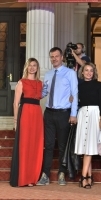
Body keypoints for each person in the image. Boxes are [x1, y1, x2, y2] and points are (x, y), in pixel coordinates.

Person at [36, 47, 78, 186]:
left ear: (62, 57)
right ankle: (45, 175)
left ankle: (61, 173)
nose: (54, 59)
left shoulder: (70, 73)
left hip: (63, 114)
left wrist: (73, 114)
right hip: (49, 113)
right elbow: (43, 93)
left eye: (56, 56)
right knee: (48, 145)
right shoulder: (47, 74)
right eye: (52, 57)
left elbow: (75, 93)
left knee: (62, 146)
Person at [10, 58, 44, 187]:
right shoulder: (21, 82)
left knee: (35, 145)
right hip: (25, 114)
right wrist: (15, 121)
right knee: (25, 145)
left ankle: (32, 177)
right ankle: (23, 178)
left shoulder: (40, 83)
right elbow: (15, 103)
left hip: (37, 115)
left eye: (34, 65)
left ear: (37, 67)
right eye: (30, 65)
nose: (32, 67)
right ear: (26, 67)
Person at [74, 62, 101, 189]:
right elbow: (76, 101)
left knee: (90, 147)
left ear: (94, 72)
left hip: (94, 115)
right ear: (82, 72)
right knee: (87, 147)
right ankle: (89, 177)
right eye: (86, 70)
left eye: (91, 70)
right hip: (82, 114)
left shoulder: (98, 85)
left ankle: (83, 177)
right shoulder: (78, 85)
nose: (88, 72)